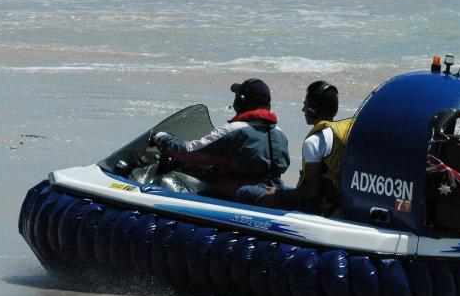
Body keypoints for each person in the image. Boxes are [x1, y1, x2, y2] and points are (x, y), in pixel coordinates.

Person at [151, 78, 289, 202]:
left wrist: (162, 139)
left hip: (236, 195)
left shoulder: (234, 130)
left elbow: (190, 152)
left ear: (240, 101)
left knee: (183, 199)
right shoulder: (279, 134)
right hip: (269, 193)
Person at [261, 80, 354, 213]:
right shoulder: (345, 130)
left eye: (306, 104)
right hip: (338, 202)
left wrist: (278, 195)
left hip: (317, 207)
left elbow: (310, 192)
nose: (303, 109)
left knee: (247, 192)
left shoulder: (314, 141)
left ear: (312, 109)